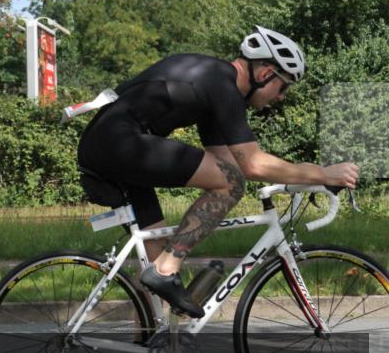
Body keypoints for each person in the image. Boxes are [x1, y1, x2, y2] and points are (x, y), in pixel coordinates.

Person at [77, 26, 360, 318]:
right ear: (265, 73)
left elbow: (235, 162)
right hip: (121, 144)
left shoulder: (211, 84)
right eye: (284, 86)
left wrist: (293, 180)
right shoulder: (221, 85)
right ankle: (166, 268)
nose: (282, 97)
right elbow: (251, 166)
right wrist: (321, 174)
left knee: (156, 260)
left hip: (112, 147)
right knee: (230, 186)